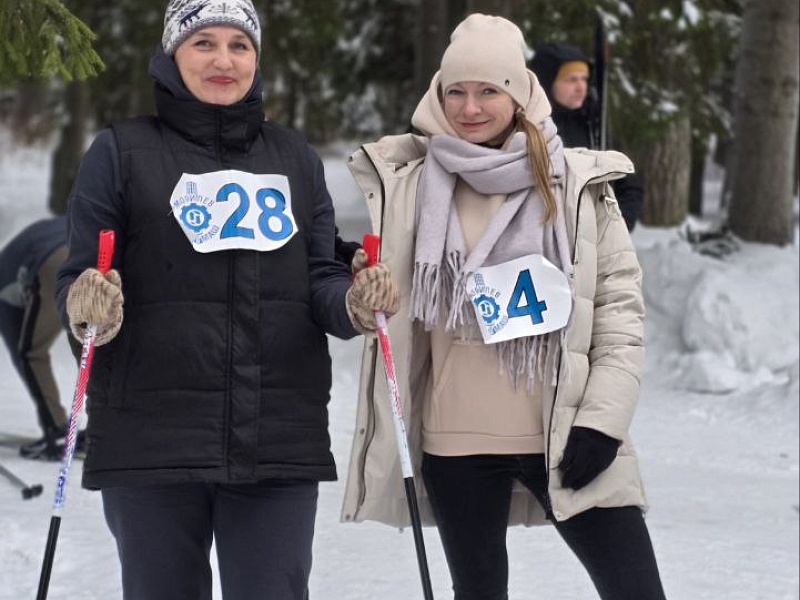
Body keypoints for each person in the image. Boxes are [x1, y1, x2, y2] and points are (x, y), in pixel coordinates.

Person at [55, 1, 398, 598]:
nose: (223, 59)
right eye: (203, 43)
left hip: (275, 439)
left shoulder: (293, 159)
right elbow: (83, 277)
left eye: (239, 45)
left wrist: (352, 303)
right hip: (152, 439)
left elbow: (318, 277)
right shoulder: (120, 151)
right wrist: (89, 305)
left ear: (257, 59)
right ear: (171, 55)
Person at [341, 13, 667, 600]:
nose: (470, 107)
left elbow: (620, 315)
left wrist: (603, 423)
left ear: (518, 94)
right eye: (456, 91)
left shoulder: (575, 183)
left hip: (565, 432)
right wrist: (362, 284)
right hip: (455, 444)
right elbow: (384, 298)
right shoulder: (411, 182)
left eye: (488, 90)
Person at [529, 41, 644, 231]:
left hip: (590, 245)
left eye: (584, 79)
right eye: (571, 80)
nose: (581, 87)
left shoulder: (594, 124)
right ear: (547, 82)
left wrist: (615, 228)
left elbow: (629, 184)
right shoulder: (527, 127)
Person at [0, 215, 82, 460]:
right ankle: (108, 428)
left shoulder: (4, 278)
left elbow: (22, 350)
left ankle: (56, 430)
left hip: (55, 264)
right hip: (97, 256)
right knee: (93, 347)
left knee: (30, 353)